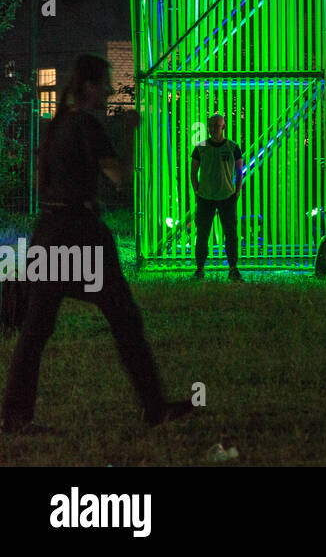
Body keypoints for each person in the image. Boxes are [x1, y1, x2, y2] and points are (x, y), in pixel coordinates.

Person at [2, 55, 194, 434]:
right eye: (104, 83)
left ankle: (14, 416)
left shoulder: (56, 126)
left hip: (50, 232)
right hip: (82, 235)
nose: (108, 90)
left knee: (36, 329)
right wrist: (132, 133)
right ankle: (154, 408)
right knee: (125, 318)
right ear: (89, 85)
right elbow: (120, 177)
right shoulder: (88, 126)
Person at [190, 113, 245, 281]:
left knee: (231, 234)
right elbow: (193, 172)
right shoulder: (200, 147)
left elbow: (239, 171)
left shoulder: (232, 147)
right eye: (212, 125)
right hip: (206, 197)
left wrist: (236, 191)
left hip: (226, 197)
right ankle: (199, 269)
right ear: (208, 127)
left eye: (217, 125)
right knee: (203, 234)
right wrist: (197, 191)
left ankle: (233, 269)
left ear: (224, 127)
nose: (214, 128)